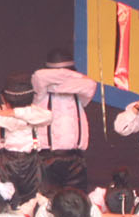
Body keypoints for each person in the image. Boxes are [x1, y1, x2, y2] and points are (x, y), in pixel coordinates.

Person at [31, 48, 98, 193]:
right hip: (48, 157)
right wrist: (69, 79)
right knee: (47, 200)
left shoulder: (78, 95)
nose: (62, 74)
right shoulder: (40, 91)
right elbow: (39, 76)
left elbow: (91, 84)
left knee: (76, 199)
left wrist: (56, 86)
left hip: (75, 158)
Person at [0, 74, 52, 203]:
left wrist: (15, 112)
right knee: (1, 200)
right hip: (4, 162)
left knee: (33, 201)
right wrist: (27, 120)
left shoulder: (33, 111)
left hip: (31, 162)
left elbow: (48, 116)